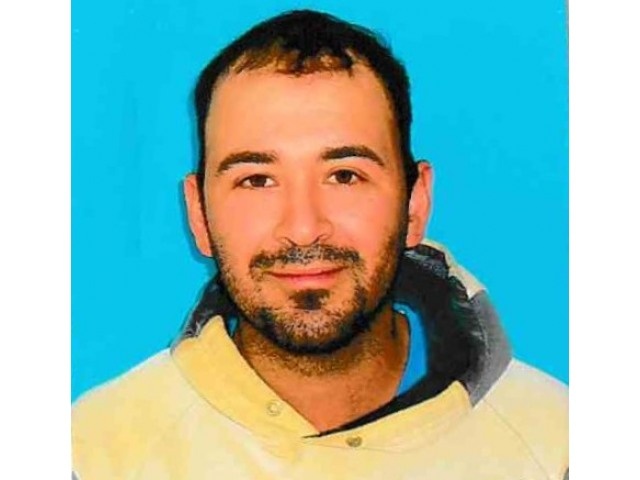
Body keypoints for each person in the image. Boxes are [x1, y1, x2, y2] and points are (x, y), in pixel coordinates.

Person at [72, 9, 568, 480]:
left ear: (415, 204)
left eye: (344, 175)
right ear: (199, 214)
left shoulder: (559, 448)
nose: (304, 228)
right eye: (257, 180)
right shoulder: (94, 455)